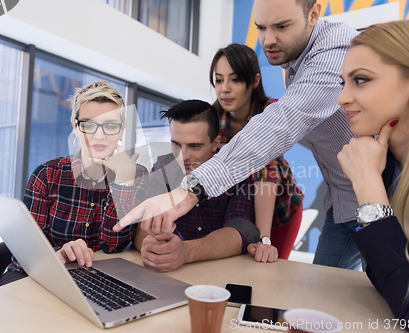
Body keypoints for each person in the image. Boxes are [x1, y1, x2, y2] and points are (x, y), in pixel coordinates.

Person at [114, 0, 361, 270]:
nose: (267, 39)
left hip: (281, 206)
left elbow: (270, 157)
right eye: (261, 28)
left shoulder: (328, 57)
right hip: (341, 201)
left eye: (281, 26)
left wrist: (262, 235)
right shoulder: (213, 117)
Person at [337, 20, 409, 325]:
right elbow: (385, 278)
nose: (342, 98)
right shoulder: (390, 164)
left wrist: (367, 183)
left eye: (361, 80)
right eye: (342, 82)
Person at [0, 80, 148, 285]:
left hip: (96, 279)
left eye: (110, 126)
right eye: (88, 125)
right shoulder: (48, 175)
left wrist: (122, 184)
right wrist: (60, 253)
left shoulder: (136, 174)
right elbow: (26, 253)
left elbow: (114, 246)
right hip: (38, 275)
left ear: (122, 130)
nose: (99, 135)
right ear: (75, 128)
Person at [135, 99, 264, 273]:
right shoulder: (162, 166)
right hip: (172, 274)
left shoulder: (237, 170)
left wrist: (186, 252)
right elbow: (142, 227)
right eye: (176, 144)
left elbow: (240, 231)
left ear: (215, 143)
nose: (183, 156)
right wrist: (153, 248)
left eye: (194, 146)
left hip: (222, 273)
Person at [210, 43, 304, 261]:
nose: (224, 88)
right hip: (237, 212)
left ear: (254, 81)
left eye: (235, 79)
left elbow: (265, 167)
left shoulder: (273, 112)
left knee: (268, 269)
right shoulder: (212, 119)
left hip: (280, 213)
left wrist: (263, 240)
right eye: (219, 79)